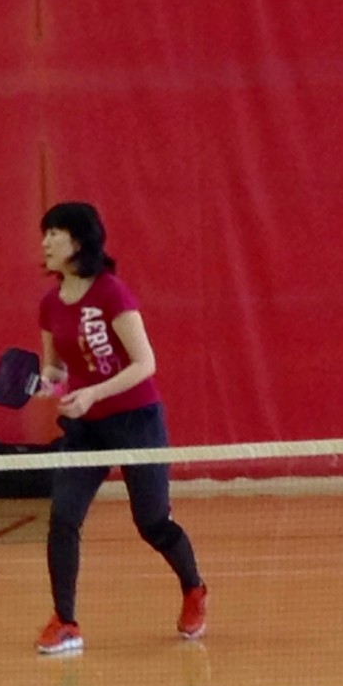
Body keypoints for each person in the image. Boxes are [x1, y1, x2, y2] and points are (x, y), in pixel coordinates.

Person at [32, 201, 206, 654]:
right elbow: (54, 369)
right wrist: (46, 384)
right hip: (85, 429)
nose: (46, 241)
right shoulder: (50, 304)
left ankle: (194, 588)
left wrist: (93, 392)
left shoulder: (112, 294)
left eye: (56, 232)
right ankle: (65, 621)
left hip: (136, 421)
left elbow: (145, 363)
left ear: (80, 241)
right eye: (45, 233)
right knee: (63, 518)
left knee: (152, 522)